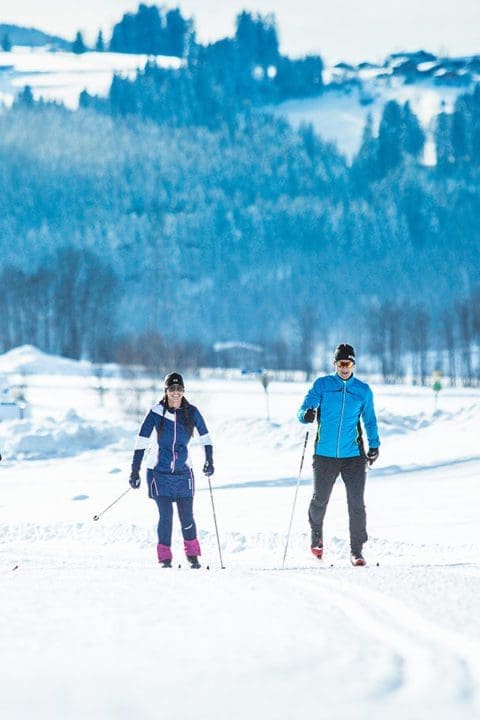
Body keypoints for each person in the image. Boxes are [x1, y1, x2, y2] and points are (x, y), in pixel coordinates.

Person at [297, 343, 380, 566]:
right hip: (324, 455)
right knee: (319, 500)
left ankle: (357, 550)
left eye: (348, 363)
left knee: (356, 503)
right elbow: (303, 409)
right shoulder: (323, 385)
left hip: (353, 456)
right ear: (335, 364)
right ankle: (316, 535)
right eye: (341, 363)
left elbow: (370, 420)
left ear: (354, 365)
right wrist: (306, 414)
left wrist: (374, 445)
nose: (344, 367)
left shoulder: (362, 390)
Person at [129, 372, 214, 569]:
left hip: (184, 474)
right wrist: (135, 470)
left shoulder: (192, 412)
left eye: (179, 389)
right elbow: (140, 441)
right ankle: (165, 558)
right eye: (172, 389)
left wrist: (209, 460)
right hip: (159, 474)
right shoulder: (156, 412)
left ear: (183, 391)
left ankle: (193, 556)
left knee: (187, 516)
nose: (176, 393)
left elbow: (205, 438)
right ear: (166, 391)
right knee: (166, 516)